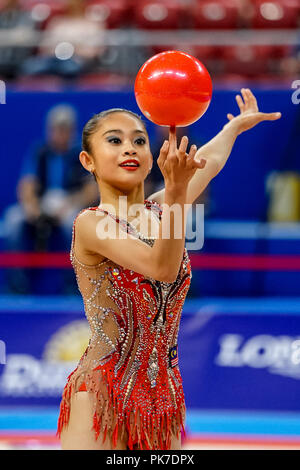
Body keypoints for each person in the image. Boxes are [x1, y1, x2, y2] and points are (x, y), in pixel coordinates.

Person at [56, 89, 281, 450]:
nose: (129, 148)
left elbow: (208, 161)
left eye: (139, 140)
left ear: (151, 156)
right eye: (114, 140)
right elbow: (162, 267)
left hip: (164, 395)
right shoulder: (91, 224)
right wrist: (176, 193)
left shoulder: (162, 211)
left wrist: (234, 128)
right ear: (88, 160)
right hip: (102, 393)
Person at [2, 104, 98, 294]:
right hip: (41, 205)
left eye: (65, 129)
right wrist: (32, 207)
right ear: (49, 130)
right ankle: (17, 284)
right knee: (13, 220)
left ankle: (73, 285)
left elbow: (91, 190)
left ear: (72, 131)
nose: (60, 134)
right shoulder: (40, 152)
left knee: (74, 224)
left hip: (70, 206)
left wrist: (70, 204)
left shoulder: (81, 155)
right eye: (56, 129)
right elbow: (27, 185)